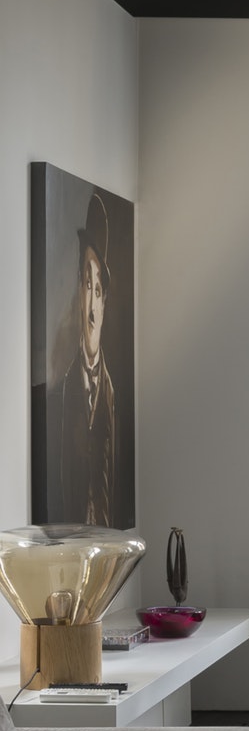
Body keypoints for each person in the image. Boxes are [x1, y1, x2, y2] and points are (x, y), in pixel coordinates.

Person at [47, 191, 116, 525]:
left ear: (104, 303)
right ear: (77, 293)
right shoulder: (60, 391)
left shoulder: (111, 393)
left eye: (97, 290)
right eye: (87, 285)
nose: (91, 309)